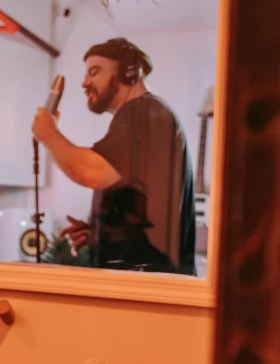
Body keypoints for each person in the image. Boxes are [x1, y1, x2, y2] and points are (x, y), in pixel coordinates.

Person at [32, 38, 196, 275]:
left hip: (148, 286)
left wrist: (48, 133)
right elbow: (142, 212)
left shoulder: (144, 112)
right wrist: (100, 233)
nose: (84, 82)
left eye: (94, 72)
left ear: (129, 72)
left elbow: (92, 172)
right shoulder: (145, 117)